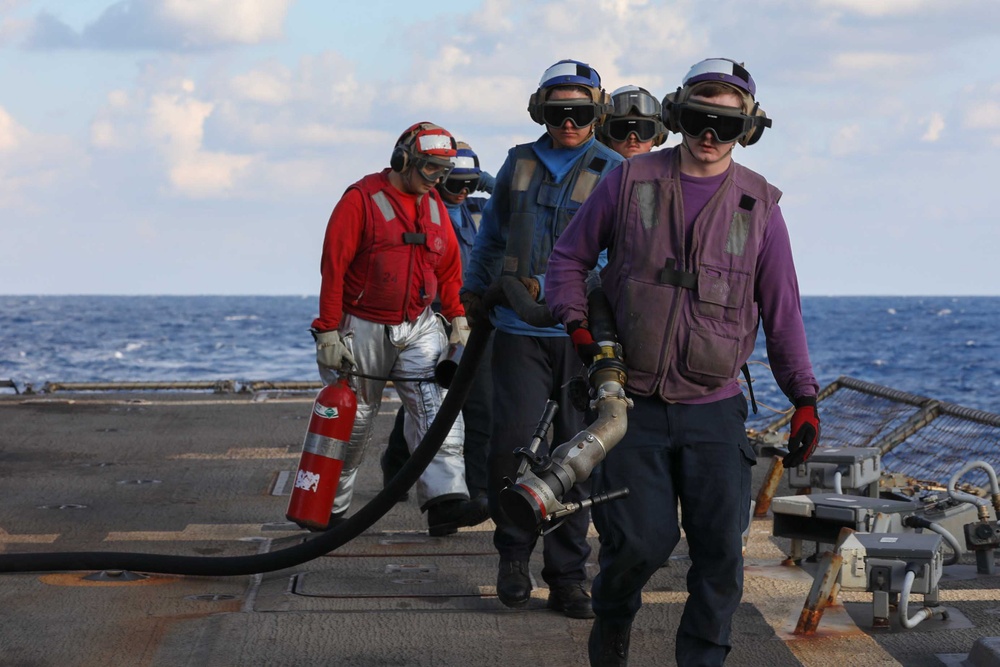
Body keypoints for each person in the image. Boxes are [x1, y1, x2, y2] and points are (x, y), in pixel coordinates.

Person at [544, 58, 821, 665]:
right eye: (698, 119)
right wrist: (580, 328)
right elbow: (566, 262)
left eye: (725, 124)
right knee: (640, 544)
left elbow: (783, 313)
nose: (709, 136)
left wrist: (804, 399)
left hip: (714, 408)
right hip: (629, 405)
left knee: (721, 554)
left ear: (747, 128)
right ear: (678, 114)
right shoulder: (629, 180)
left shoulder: (760, 207)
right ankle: (611, 625)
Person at [460, 59, 624, 620]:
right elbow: (492, 238)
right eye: (559, 112)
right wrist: (476, 292)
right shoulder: (519, 163)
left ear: (596, 113)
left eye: (580, 112)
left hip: (580, 338)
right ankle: (512, 558)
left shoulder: (614, 170)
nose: (569, 122)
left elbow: (620, 257)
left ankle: (568, 577)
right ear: (541, 112)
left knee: (575, 454)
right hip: (517, 332)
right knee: (512, 446)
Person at [310, 122, 489, 537]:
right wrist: (328, 332)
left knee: (437, 409)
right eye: (430, 170)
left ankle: (446, 501)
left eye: (442, 173)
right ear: (403, 160)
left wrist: (458, 319)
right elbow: (333, 268)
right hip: (362, 324)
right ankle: (329, 511)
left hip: (420, 323)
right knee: (353, 420)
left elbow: (447, 269)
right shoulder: (360, 200)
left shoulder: (433, 206)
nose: (437, 181)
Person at [381, 141, 496, 504]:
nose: (462, 192)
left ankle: (473, 487)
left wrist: (485, 181)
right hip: (436, 319)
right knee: (431, 402)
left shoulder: (478, 211)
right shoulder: (427, 212)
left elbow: (511, 205)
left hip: (472, 321)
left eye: (468, 184)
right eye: (454, 184)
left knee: (476, 403)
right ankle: (400, 467)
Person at [597, 84, 668, 158]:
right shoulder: (585, 168)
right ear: (605, 138)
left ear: (656, 138)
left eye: (641, 130)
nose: (632, 137)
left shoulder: (671, 168)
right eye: (623, 130)